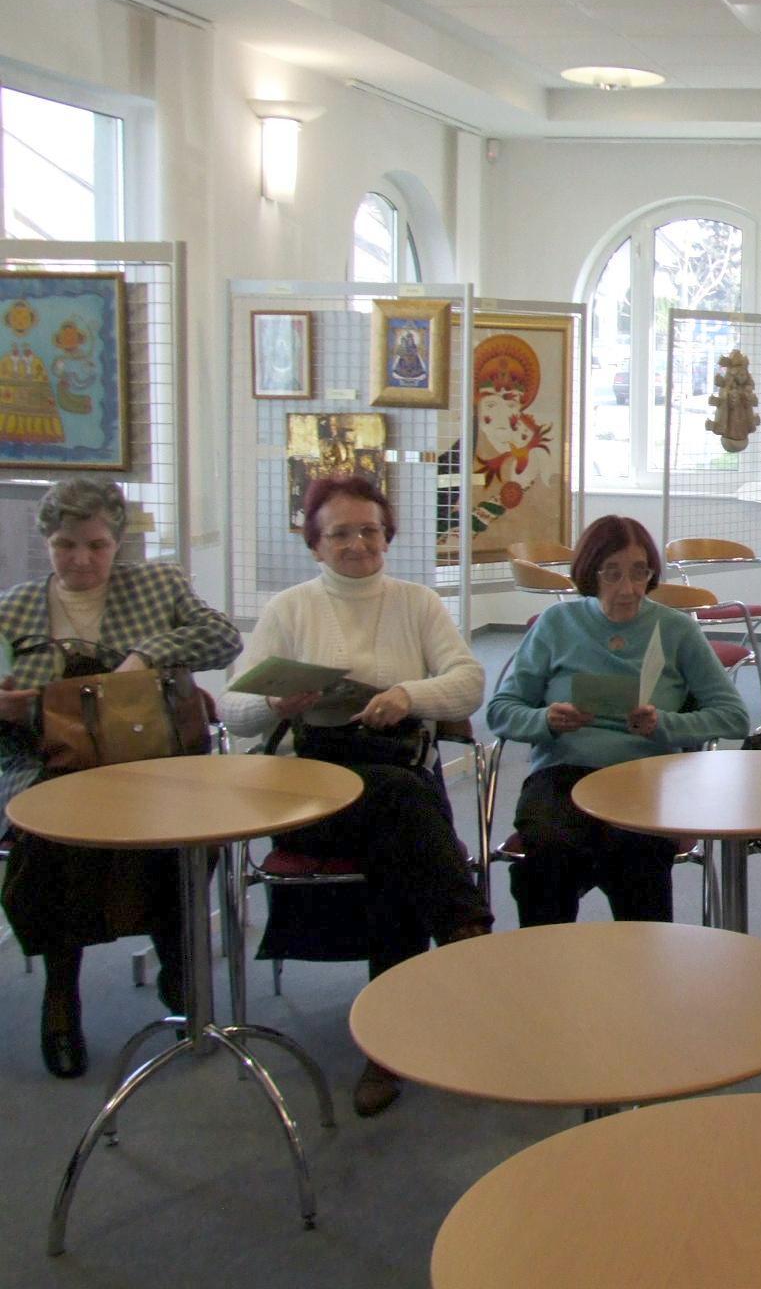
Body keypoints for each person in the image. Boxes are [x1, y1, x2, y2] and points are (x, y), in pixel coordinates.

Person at [221, 474, 493, 1118]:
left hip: (393, 782)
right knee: (406, 808)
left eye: (369, 530)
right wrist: (275, 703)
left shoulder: (417, 603)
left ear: (387, 536)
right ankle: (464, 935)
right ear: (315, 543)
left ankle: (387, 1044)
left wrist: (407, 695)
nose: (357, 543)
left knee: (397, 838)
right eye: (340, 532)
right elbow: (232, 710)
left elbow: (469, 683)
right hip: (309, 795)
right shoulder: (289, 609)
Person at [0, 479, 241, 1079]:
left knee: (186, 831)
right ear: (46, 542)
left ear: (118, 542)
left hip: (152, 760)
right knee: (52, 839)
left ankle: (177, 967)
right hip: (49, 764)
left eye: (97, 545)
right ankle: (61, 998)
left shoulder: (157, 584)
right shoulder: (13, 607)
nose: (81, 559)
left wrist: (149, 654)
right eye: (65, 545)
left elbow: (223, 639)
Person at [486, 514, 748, 929]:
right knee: (549, 856)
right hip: (563, 773)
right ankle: (543, 961)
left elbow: (734, 716)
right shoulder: (557, 624)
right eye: (612, 574)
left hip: (645, 776)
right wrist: (546, 719)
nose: (627, 588)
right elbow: (501, 710)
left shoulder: (676, 629)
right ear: (590, 573)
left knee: (636, 854)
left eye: (639, 572)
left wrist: (664, 724)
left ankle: (643, 959)